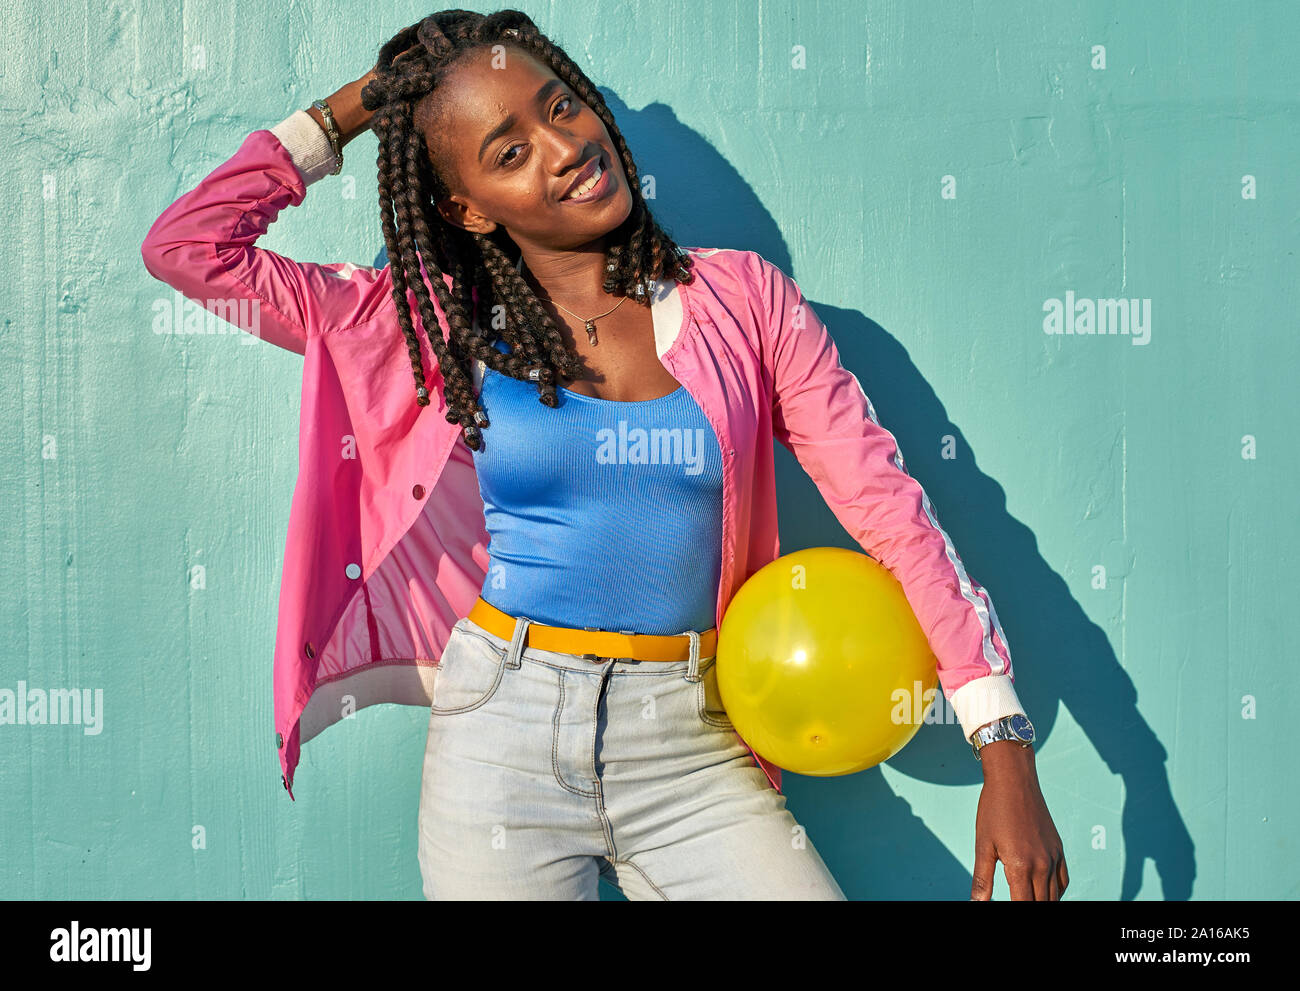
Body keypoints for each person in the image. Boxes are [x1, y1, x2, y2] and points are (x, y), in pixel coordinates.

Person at [141, 8, 1066, 900]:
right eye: (509, 153)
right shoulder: (434, 325)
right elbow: (189, 247)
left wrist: (1003, 744)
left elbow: (891, 512)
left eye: (560, 106)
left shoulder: (745, 301)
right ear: (466, 209)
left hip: (690, 740)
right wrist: (360, 105)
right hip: (500, 732)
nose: (563, 147)